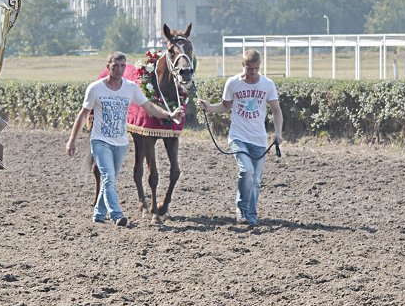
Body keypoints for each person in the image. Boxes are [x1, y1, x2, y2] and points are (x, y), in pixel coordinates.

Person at [64, 51, 186, 226]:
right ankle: (116, 214)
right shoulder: (95, 88)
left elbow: (149, 107)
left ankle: (99, 213)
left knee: (110, 178)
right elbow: (83, 115)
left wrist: (170, 114)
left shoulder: (131, 88)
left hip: (120, 143)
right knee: (108, 177)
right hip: (100, 141)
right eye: (115, 66)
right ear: (108, 67)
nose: (120, 69)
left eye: (122, 66)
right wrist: (71, 140)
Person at [197, 48, 283, 227]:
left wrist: (278, 132)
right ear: (243, 65)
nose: (253, 72)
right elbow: (225, 106)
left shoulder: (267, 84)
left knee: (256, 181)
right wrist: (209, 108)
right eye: (249, 68)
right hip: (238, 136)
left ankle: (251, 214)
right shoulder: (233, 83)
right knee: (246, 170)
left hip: (259, 139)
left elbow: (276, 110)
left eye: (256, 69)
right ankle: (241, 210)